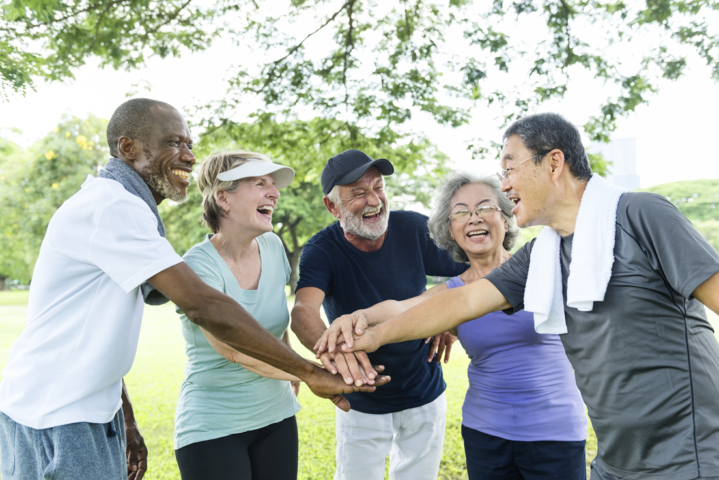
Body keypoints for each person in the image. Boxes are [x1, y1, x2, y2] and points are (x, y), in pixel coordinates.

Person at [0, 99, 388, 480]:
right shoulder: (112, 206)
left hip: (91, 410)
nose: (188, 156)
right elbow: (204, 306)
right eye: (173, 143)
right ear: (127, 147)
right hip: (56, 415)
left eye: (189, 144)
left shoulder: (132, 212)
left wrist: (125, 418)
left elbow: (97, 331)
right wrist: (309, 372)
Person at [324, 113, 719, 480]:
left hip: (690, 456)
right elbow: (461, 301)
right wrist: (371, 332)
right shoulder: (544, 256)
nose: (506, 184)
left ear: (553, 163)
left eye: (509, 169)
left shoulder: (640, 215)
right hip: (615, 462)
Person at [320, 172, 588, 479]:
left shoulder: (542, 268)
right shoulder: (451, 292)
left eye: (484, 208)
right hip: (485, 434)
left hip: (555, 433)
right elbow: (403, 307)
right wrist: (359, 318)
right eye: (461, 212)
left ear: (505, 216)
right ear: (451, 229)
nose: (473, 219)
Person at [291, 149, 467, 480]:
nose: (374, 199)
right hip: (361, 401)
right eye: (358, 192)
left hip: (424, 393)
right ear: (333, 207)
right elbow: (303, 312)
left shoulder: (414, 228)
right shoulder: (321, 250)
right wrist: (335, 354)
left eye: (378, 187)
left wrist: (448, 319)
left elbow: (477, 270)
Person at [174, 151, 305, 479]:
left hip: (277, 415)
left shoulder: (273, 247)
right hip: (213, 425)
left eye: (273, 185)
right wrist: (308, 373)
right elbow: (233, 348)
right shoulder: (198, 266)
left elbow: (274, 325)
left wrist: (289, 371)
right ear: (223, 198)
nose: (273, 193)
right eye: (260, 183)